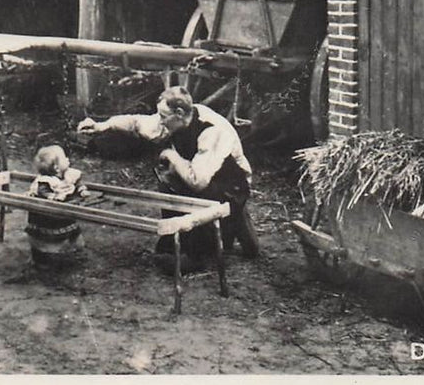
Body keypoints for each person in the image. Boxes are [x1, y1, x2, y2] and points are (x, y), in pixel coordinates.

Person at [77, 86, 259, 271]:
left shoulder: (211, 130)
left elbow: (198, 181)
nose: (160, 122)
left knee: (197, 201)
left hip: (230, 186)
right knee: (168, 181)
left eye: (163, 117)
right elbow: (136, 123)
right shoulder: (176, 119)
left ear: (179, 113)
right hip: (198, 173)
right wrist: (102, 125)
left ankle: (200, 251)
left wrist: (172, 156)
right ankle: (177, 243)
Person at [24, 145, 87, 268]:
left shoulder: (69, 174)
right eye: (64, 158)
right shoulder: (46, 181)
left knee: (71, 232)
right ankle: (43, 260)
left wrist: (82, 190)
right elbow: (43, 191)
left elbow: (78, 183)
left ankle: (72, 254)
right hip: (48, 215)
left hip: (64, 213)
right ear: (56, 167)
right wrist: (52, 197)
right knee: (46, 240)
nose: (68, 159)